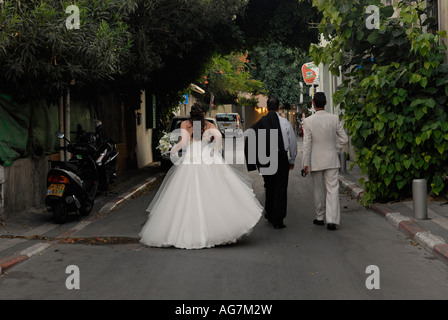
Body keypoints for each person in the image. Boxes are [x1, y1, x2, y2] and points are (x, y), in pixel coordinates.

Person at [139, 103, 262, 249]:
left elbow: (183, 142)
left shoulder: (185, 124)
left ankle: (187, 232)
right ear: (202, 113)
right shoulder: (208, 125)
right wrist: (213, 151)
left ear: (191, 114)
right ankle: (213, 231)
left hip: (191, 159)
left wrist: (173, 150)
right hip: (205, 157)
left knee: (185, 195)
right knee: (211, 193)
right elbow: (218, 137)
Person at [245, 97, 297, 229]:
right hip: (281, 158)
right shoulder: (285, 123)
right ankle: (278, 219)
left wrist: (253, 162)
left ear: (267, 108)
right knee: (280, 188)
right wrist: (292, 160)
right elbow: (292, 144)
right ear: (279, 107)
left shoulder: (260, 123)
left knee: (269, 186)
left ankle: (269, 212)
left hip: (265, 159)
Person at [302, 92, 348, 231]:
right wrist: (336, 150)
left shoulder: (308, 121)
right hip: (331, 158)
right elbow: (344, 139)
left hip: (315, 160)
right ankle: (332, 221)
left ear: (313, 103)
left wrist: (305, 164)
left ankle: (320, 217)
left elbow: (306, 144)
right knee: (332, 189)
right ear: (326, 103)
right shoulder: (334, 118)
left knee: (318, 190)